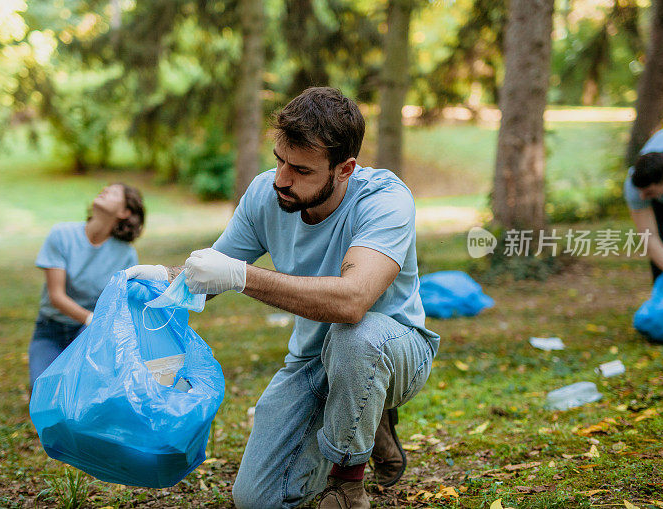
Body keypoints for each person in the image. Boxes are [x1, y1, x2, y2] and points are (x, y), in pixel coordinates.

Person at [127, 87, 439, 508]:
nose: (281, 179)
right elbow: (211, 273)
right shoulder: (266, 195)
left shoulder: (384, 200)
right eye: (278, 160)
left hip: (395, 348)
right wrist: (160, 279)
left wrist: (242, 276)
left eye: (301, 170)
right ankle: (362, 412)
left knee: (355, 337)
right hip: (312, 360)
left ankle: (347, 482)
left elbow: (352, 301)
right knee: (256, 500)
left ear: (344, 169)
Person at [29, 183, 145, 389]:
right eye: (105, 188)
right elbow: (56, 297)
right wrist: (91, 318)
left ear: (124, 212)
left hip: (89, 333)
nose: (105, 190)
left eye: (114, 191)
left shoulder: (126, 254)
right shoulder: (61, 235)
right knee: (42, 391)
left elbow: (122, 304)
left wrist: (95, 325)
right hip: (50, 330)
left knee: (80, 392)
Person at [624, 123, 663, 282]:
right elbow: (649, 235)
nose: (642, 197)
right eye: (641, 190)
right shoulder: (635, 184)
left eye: (649, 192)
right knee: (662, 234)